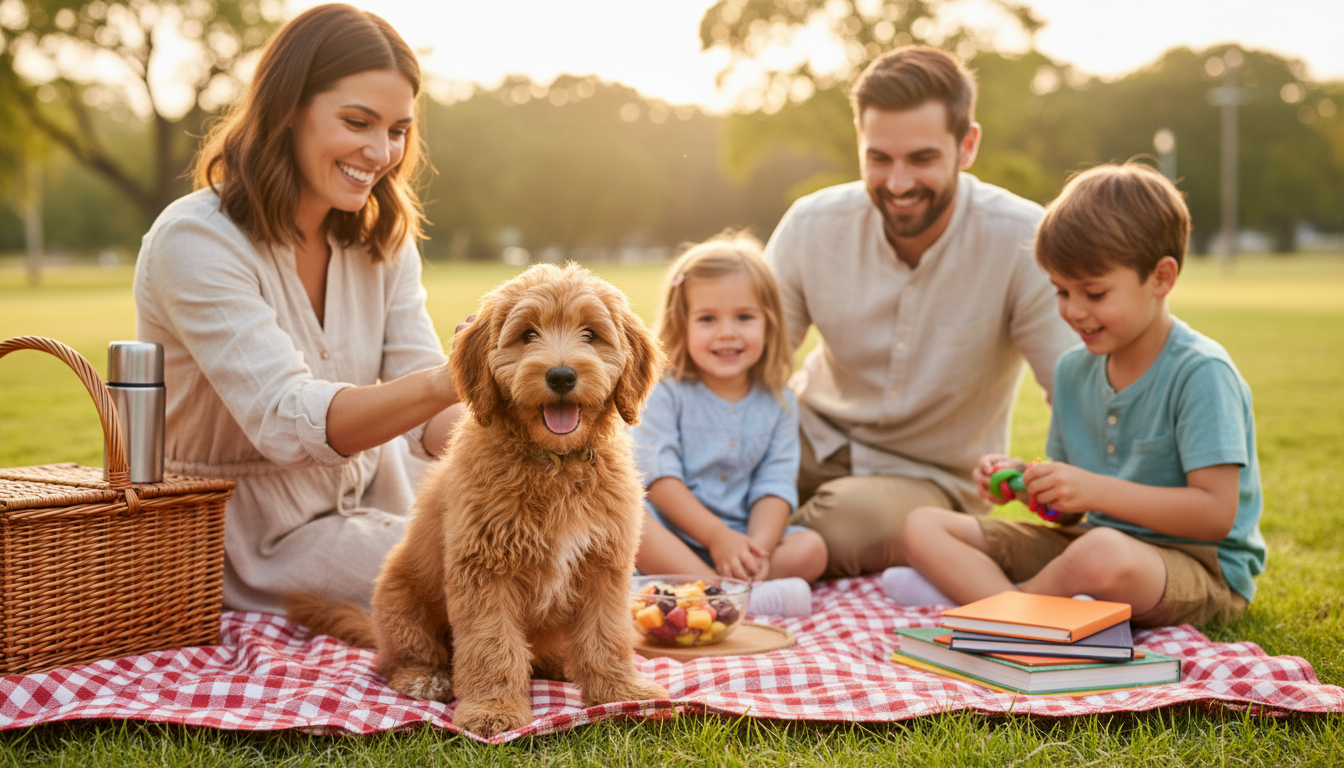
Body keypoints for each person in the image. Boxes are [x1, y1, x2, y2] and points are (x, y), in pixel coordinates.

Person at [133, 4, 463, 614]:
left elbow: (428, 418)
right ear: (287, 110)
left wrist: (510, 415)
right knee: (491, 579)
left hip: (382, 499)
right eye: (357, 121)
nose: (381, 151)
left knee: (549, 546)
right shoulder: (195, 241)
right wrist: (452, 379)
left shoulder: (381, 240)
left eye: (397, 130)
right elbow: (286, 421)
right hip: (254, 536)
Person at [898, 162, 1266, 627]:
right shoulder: (1073, 370)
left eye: (1094, 293)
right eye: (1061, 291)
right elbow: (1068, 519)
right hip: (1089, 546)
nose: (1073, 311)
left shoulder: (1201, 373)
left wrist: (1095, 490)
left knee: (1102, 554)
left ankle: (1000, 609)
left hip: (1196, 567)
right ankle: (1030, 610)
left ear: (1161, 278)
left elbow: (1215, 515)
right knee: (924, 525)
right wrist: (1031, 482)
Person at [763, 46, 1077, 579]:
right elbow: (750, 363)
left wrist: (1073, 492)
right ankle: (716, 555)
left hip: (931, 477)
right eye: (879, 158)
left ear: (967, 145)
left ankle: (718, 565)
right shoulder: (811, 225)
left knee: (846, 521)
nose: (899, 182)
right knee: (685, 473)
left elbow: (1073, 391)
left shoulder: (1024, 239)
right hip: (806, 436)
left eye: (923, 159)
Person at [632, 234, 828, 617]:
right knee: (627, 522)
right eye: (707, 319)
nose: (727, 333)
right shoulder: (664, 392)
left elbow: (775, 485)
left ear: (769, 323)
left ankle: (713, 593)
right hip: (671, 534)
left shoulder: (780, 402)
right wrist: (715, 537)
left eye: (744, 317)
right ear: (681, 323)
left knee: (811, 550)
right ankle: (719, 597)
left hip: (738, 537)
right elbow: (658, 480)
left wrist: (758, 549)